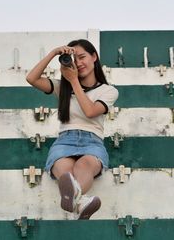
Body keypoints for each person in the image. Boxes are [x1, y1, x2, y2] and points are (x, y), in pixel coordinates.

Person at [26, 39, 118, 220]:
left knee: (84, 165)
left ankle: (75, 199)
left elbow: (90, 111)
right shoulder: (62, 88)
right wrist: (54, 53)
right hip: (64, 141)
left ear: (94, 57)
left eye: (82, 57)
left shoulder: (108, 91)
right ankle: (81, 202)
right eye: (73, 60)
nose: (79, 63)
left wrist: (74, 80)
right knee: (65, 172)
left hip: (92, 141)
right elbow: (32, 78)